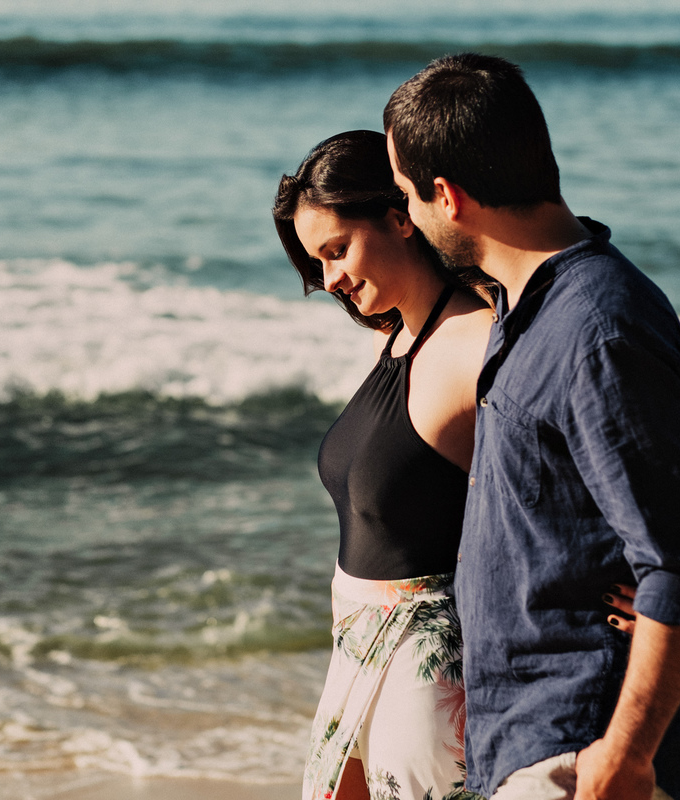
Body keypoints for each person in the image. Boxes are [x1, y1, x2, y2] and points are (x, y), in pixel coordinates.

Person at [383, 53, 680, 800]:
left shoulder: (597, 331)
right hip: (528, 742)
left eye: (405, 197)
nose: (407, 219)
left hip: (582, 754)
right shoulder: (522, 312)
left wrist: (626, 752)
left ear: (446, 196)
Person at [274, 130, 496, 800]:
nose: (331, 278)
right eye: (319, 262)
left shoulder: (476, 343)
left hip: (431, 659)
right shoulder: (394, 335)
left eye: (338, 250)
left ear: (401, 217)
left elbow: (571, 484)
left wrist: (626, 588)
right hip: (356, 642)